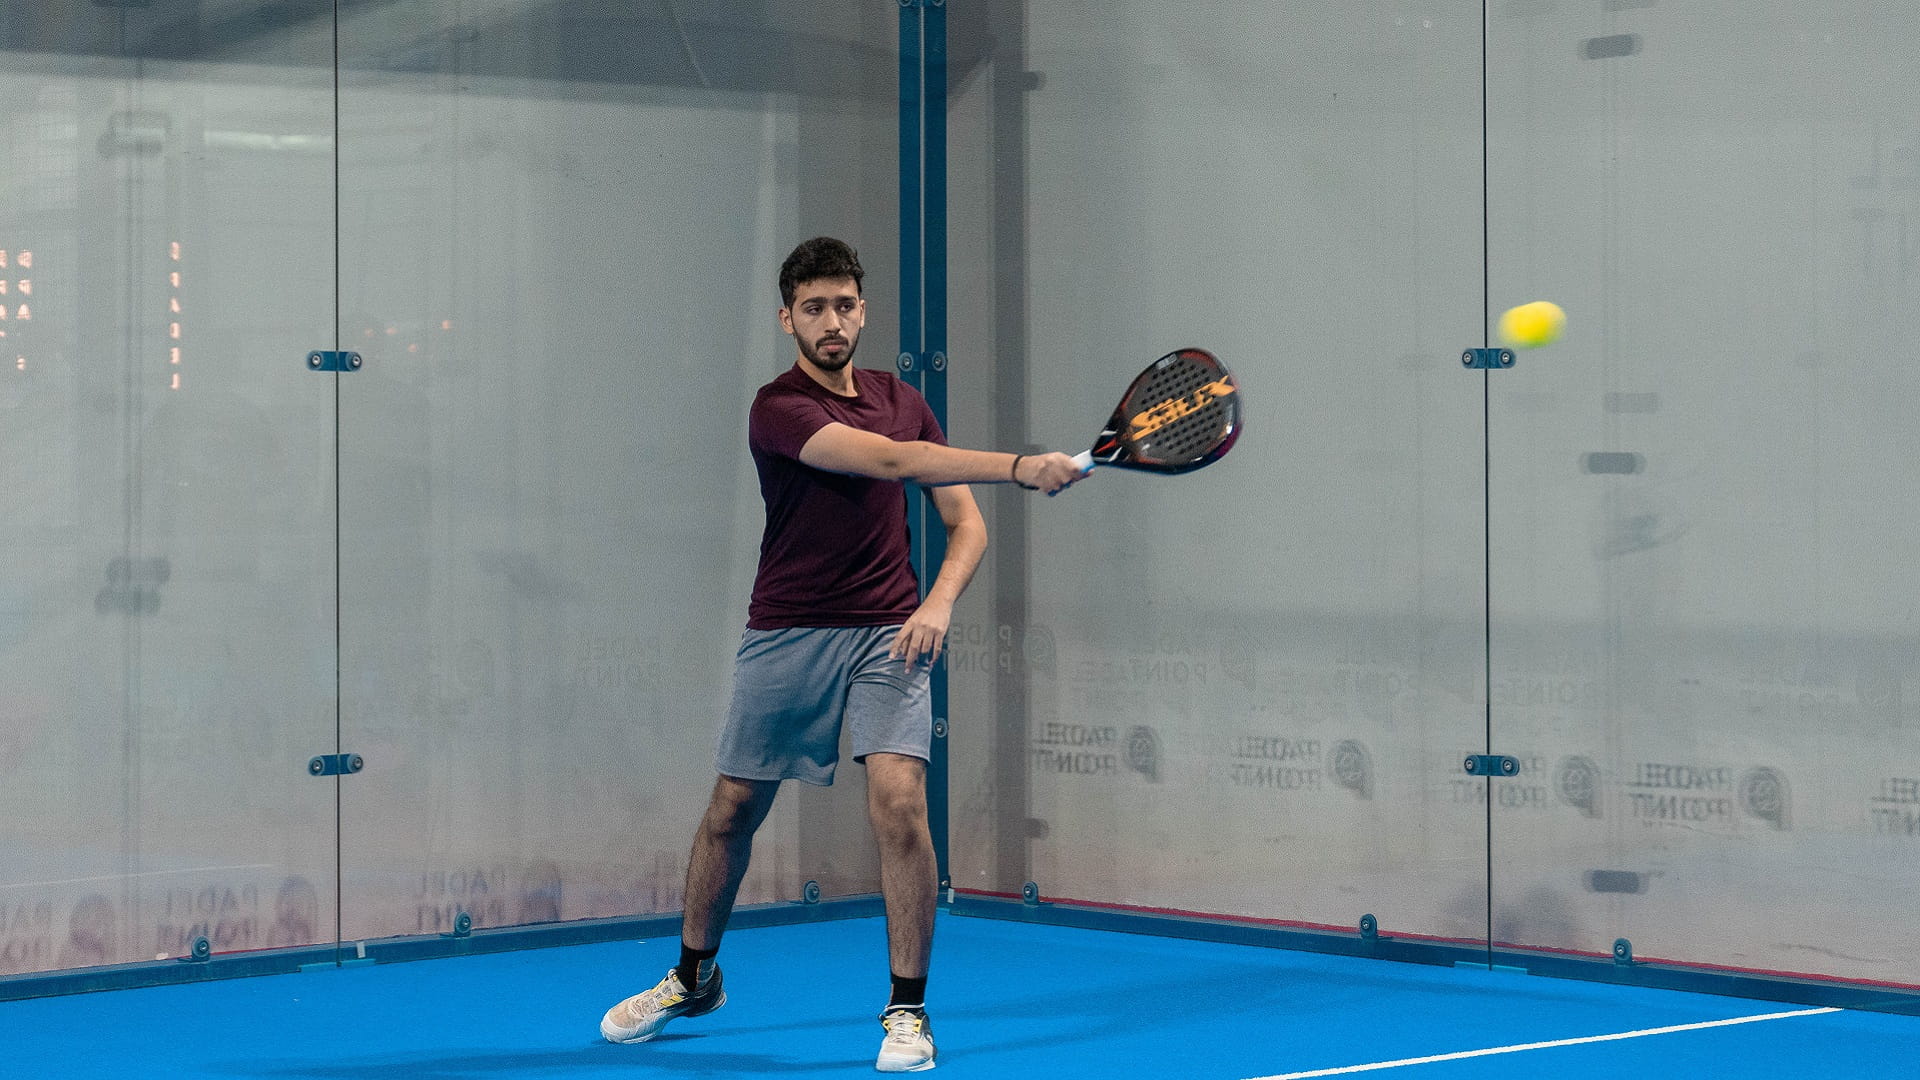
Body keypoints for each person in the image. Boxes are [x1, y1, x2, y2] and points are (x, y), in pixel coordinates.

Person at [599, 236, 1085, 1072]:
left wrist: (935, 602)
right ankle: (692, 976)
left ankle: (907, 1011)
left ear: (863, 311)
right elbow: (894, 462)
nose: (832, 321)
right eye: (814, 307)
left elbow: (964, 524)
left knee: (899, 804)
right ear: (788, 317)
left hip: (888, 635)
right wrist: (1021, 464)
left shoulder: (906, 399)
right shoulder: (778, 408)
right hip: (786, 631)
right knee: (732, 811)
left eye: (845, 305)